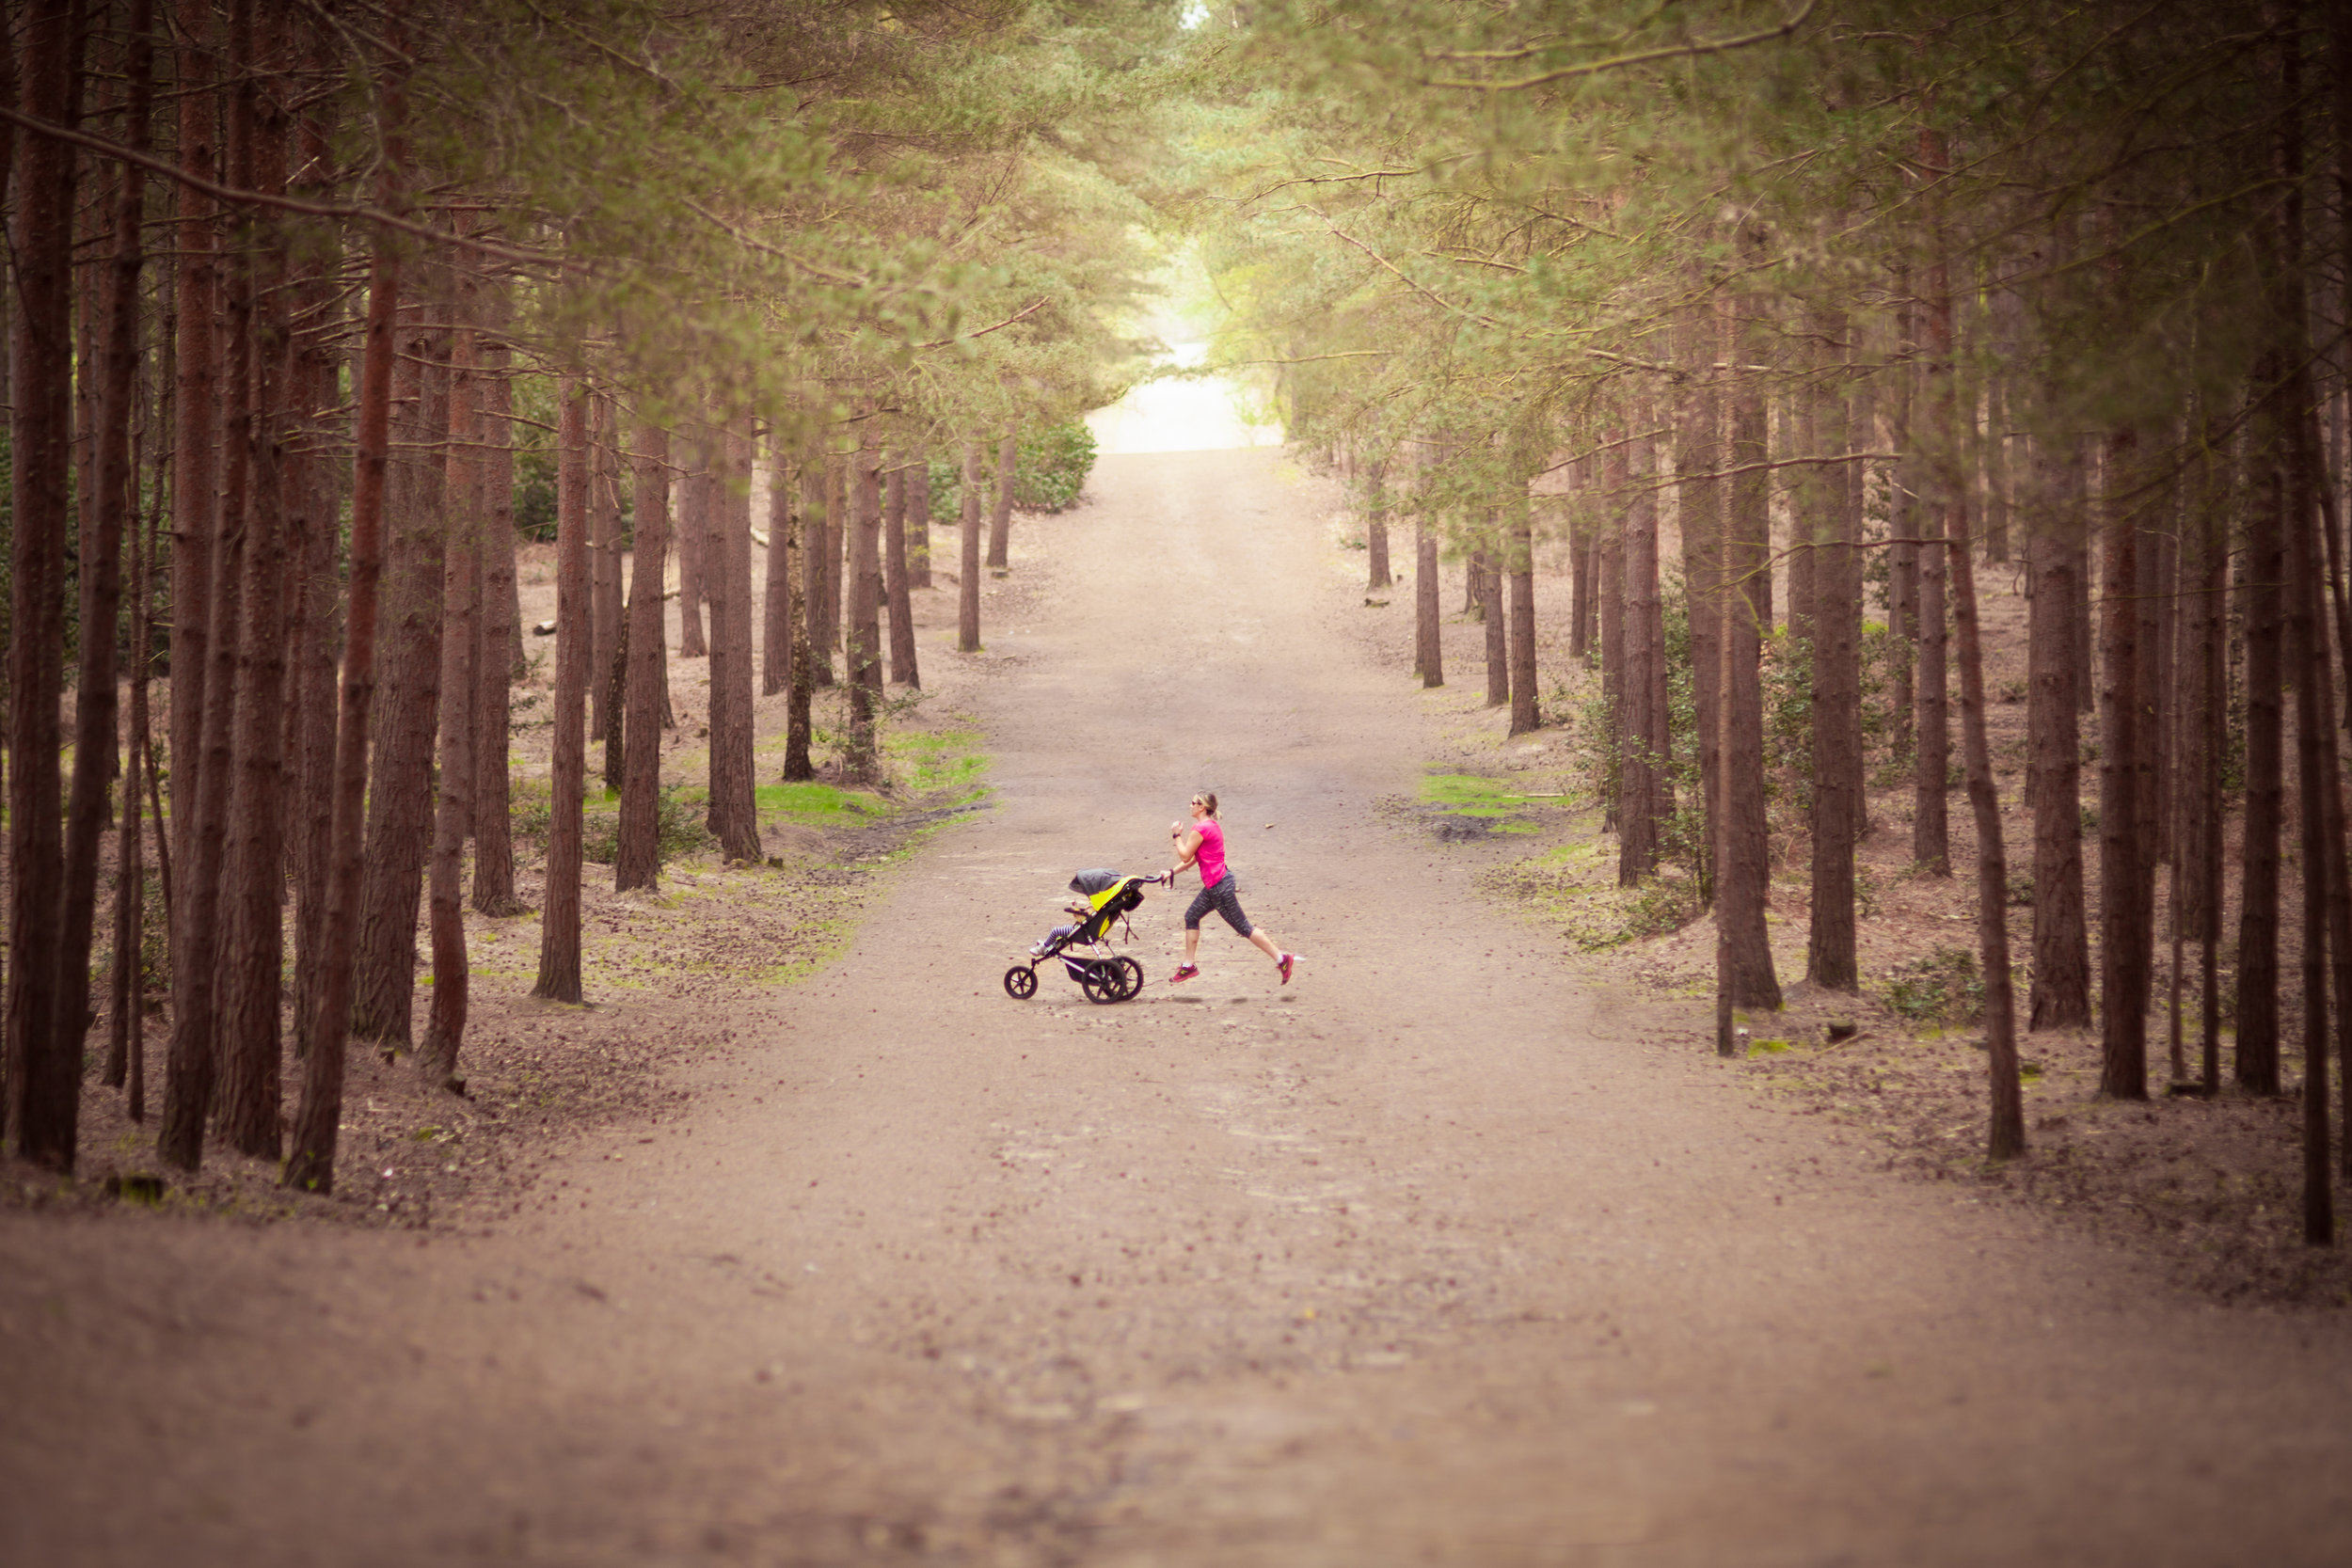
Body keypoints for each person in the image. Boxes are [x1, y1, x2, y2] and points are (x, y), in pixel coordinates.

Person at [1166, 790, 1295, 985]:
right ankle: (1188, 966)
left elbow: (1185, 855)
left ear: (1202, 807)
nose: (1190, 805)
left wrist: (1176, 835)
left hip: (1218, 887)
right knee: (1191, 916)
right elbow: (1193, 859)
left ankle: (1282, 959)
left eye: (1193, 803)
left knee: (1244, 927)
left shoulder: (1200, 829)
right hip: (1218, 884)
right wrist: (1171, 872)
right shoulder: (1210, 826)